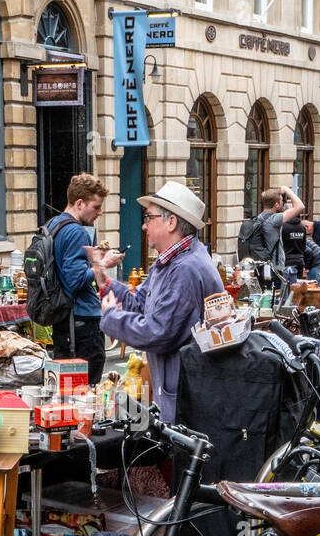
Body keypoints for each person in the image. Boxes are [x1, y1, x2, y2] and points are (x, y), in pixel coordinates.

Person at [90, 181, 222, 423]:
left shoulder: (185, 268)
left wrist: (110, 317)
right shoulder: (170, 262)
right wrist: (104, 281)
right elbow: (140, 302)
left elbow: (158, 331)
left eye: (149, 218)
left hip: (187, 397)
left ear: (171, 222)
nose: (143, 225)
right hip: (176, 389)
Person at [48, 173, 109, 383]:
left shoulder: (53, 225)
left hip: (64, 319)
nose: (100, 212)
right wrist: (101, 264)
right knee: (88, 390)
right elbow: (75, 280)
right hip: (81, 322)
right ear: (80, 203)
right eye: (96, 206)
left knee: (66, 391)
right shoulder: (77, 232)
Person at [244, 186, 304, 284]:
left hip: (261, 270)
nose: (283, 203)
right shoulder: (273, 220)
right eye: (281, 200)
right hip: (275, 271)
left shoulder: (259, 218)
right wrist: (288, 190)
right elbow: (300, 206)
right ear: (276, 204)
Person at [280, 210, 309, 283]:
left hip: (287, 259)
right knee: (297, 284)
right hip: (299, 260)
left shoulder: (284, 226)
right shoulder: (302, 227)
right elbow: (304, 245)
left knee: (286, 284)